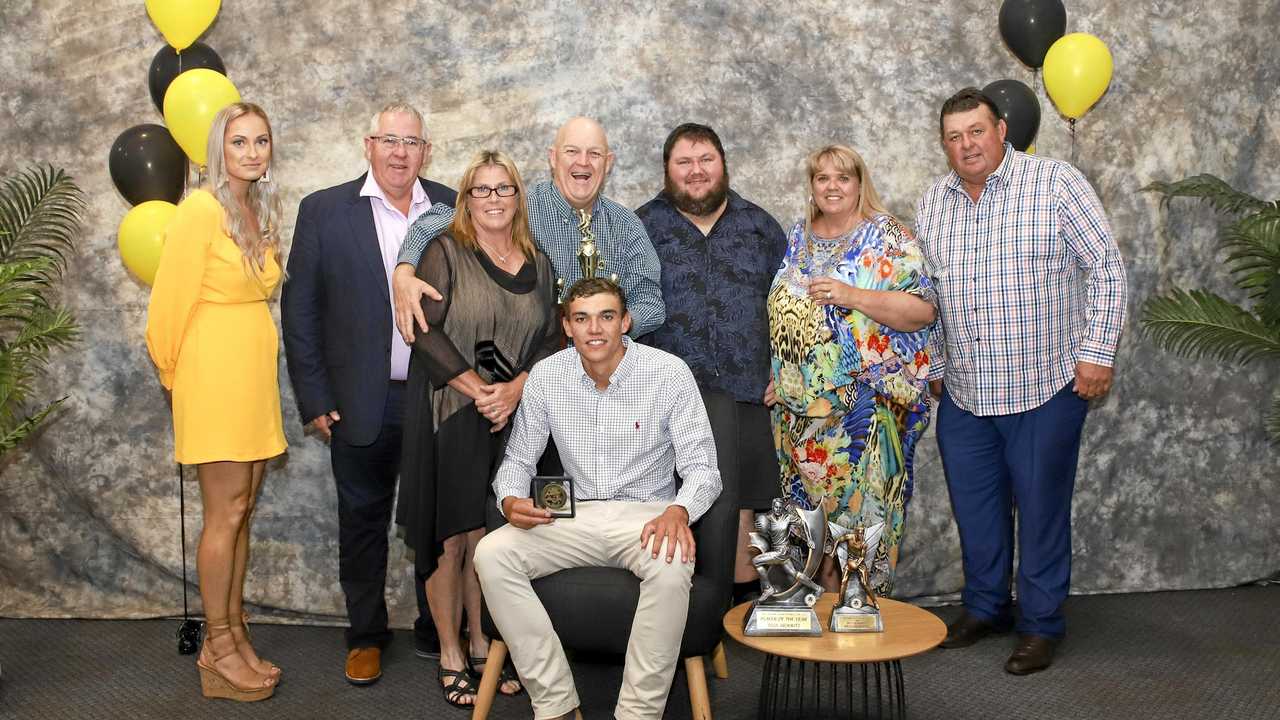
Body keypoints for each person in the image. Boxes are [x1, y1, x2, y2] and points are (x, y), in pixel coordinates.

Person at [916, 88, 1127, 675]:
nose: (966, 145)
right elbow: (927, 292)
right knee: (976, 512)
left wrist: (1097, 353)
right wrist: (935, 366)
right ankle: (986, 607)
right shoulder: (935, 200)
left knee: (1040, 511)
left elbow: (1106, 269)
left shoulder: (1055, 183)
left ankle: (1039, 624)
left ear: (1002, 129)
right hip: (965, 392)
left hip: (1045, 385)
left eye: (976, 132)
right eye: (954, 137)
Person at [473, 278, 721, 720]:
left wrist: (679, 511)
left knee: (671, 563)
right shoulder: (549, 375)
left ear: (625, 321)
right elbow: (516, 461)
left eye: (607, 316)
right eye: (582, 318)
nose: (595, 329)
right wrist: (510, 501)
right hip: (575, 517)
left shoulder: (668, 372)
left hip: (647, 515)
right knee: (492, 553)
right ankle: (555, 704)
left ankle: (638, 714)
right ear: (567, 326)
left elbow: (704, 470)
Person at [280, 102, 455, 686]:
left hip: (438, 397)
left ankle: (438, 628)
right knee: (362, 521)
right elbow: (300, 312)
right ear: (368, 145)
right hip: (360, 399)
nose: (400, 152)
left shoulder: (455, 207)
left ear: (426, 151)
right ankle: (365, 635)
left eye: (412, 142)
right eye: (389, 140)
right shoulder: (324, 211)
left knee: (437, 519)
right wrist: (314, 396)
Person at [396, 150, 559, 706]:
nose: (493, 199)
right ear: (466, 201)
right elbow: (423, 331)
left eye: (503, 188)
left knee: (492, 536)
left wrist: (514, 391)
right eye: (481, 190)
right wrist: (479, 390)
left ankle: (483, 640)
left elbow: (551, 340)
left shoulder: (540, 261)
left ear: (519, 197)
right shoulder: (445, 252)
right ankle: (449, 651)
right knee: (451, 536)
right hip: (451, 410)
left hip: (514, 415)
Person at [146, 102, 285, 701]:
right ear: (217, 150)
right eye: (239, 143)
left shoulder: (254, 207)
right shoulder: (201, 209)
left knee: (243, 508)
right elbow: (166, 308)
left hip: (251, 378)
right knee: (223, 513)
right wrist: (180, 383)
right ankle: (218, 645)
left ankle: (236, 632)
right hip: (214, 379)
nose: (252, 152)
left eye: (260, 141)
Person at [766, 145, 936, 599]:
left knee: (860, 530)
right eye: (822, 178)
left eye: (843, 177)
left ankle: (859, 629)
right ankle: (817, 636)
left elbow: (921, 312)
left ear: (860, 183)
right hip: (800, 415)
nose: (832, 186)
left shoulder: (889, 237)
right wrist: (782, 372)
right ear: (812, 187)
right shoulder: (798, 235)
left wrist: (850, 294)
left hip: (865, 410)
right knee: (809, 534)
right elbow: (789, 318)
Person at [635, 123, 787, 605]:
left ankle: (739, 614)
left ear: (723, 164)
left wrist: (786, 372)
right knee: (679, 504)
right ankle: (688, 609)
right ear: (667, 171)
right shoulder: (639, 227)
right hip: (669, 398)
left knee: (746, 507)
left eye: (706, 160)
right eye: (685, 162)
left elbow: (790, 308)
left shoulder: (761, 227)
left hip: (746, 392)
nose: (696, 171)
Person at [389, 117, 664, 344]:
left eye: (594, 154)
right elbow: (441, 218)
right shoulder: (518, 208)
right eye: (572, 152)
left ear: (608, 162)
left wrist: (611, 331)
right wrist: (404, 270)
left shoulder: (627, 225)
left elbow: (650, 301)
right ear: (553, 158)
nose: (583, 162)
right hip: (531, 376)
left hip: (608, 376)